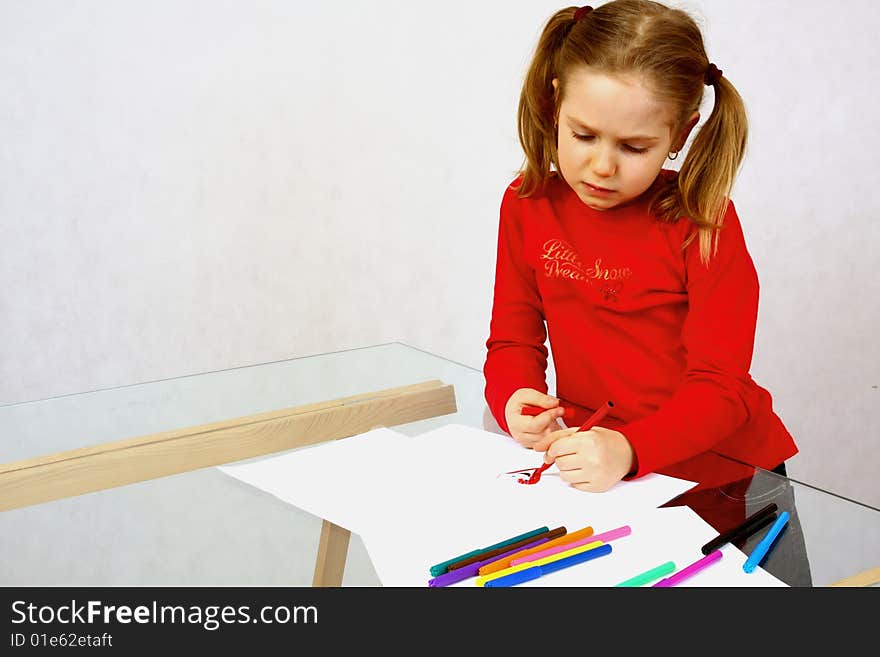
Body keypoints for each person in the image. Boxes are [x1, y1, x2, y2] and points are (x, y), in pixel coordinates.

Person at [482, 1, 812, 584]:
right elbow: (512, 339)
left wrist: (630, 450)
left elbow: (722, 389)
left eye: (634, 147)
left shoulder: (702, 223)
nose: (602, 166)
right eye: (582, 135)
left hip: (726, 476)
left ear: (680, 133)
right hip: (603, 472)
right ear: (553, 103)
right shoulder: (526, 204)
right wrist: (516, 397)